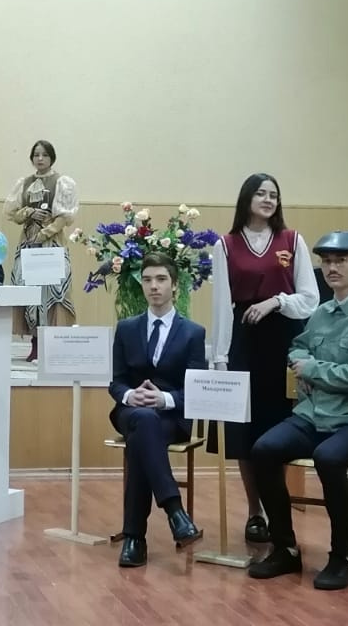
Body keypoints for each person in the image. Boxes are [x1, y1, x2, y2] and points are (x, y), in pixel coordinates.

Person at [247, 231, 348, 590]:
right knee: (263, 450)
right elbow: (297, 347)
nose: (332, 268)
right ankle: (285, 548)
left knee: (328, 458)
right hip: (314, 415)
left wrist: (313, 370)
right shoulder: (321, 313)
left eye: (341, 260)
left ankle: (342, 556)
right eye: (327, 261)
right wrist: (302, 360)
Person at [208, 173, 319, 545]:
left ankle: (276, 511)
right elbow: (222, 306)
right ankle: (255, 512)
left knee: (279, 427)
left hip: (285, 342)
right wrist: (220, 358)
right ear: (247, 199)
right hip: (245, 343)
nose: (269, 200)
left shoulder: (293, 240)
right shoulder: (225, 245)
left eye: (274, 194)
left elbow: (310, 298)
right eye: (261, 193)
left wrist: (275, 301)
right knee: (246, 431)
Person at [107, 253, 206, 568]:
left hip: (171, 416)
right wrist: (130, 395)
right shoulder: (126, 328)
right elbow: (116, 382)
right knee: (143, 421)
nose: (154, 286)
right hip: (131, 412)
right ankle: (175, 512)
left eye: (161, 279)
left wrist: (163, 399)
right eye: (147, 279)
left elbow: (195, 390)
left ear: (175, 286)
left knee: (143, 438)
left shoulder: (193, 333)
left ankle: (135, 538)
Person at [2, 140, 79, 360]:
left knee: (53, 291)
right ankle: (34, 343)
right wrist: (28, 212)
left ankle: (52, 345)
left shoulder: (62, 182)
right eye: (36, 155)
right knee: (30, 291)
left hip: (51, 243)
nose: (40, 158)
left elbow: (64, 217)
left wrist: (44, 234)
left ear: (51, 157)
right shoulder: (24, 183)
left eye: (44, 155)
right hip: (28, 243)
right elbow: (13, 215)